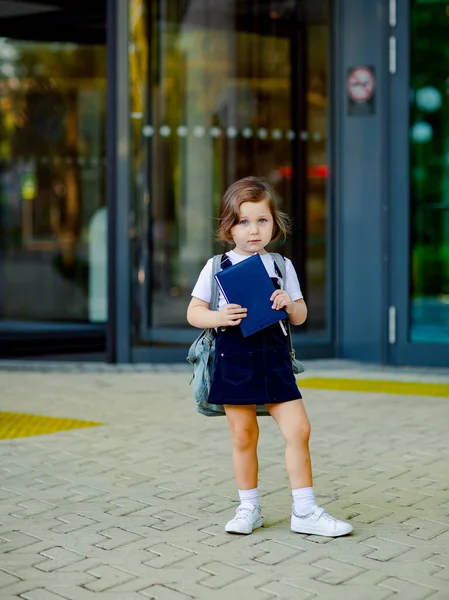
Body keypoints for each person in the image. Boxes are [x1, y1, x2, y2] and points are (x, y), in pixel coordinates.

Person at [187, 176, 353, 538]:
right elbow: (194, 312)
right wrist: (218, 317)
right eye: (243, 222)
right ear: (228, 227)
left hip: (275, 360)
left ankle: (305, 511)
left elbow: (301, 314)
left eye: (262, 220)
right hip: (234, 361)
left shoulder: (281, 265)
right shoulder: (217, 266)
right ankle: (249, 508)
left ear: (273, 223)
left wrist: (289, 304)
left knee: (299, 430)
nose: (253, 230)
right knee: (244, 436)